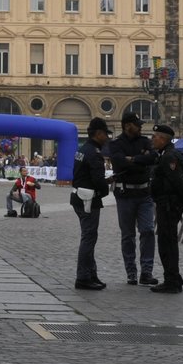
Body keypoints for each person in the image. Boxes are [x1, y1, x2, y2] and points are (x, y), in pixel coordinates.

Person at [107, 112, 158, 285]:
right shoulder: (116, 144)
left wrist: (132, 160)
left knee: (148, 231)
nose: (140, 127)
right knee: (128, 235)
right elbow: (119, 163)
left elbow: (152, 158)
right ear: (128, 126)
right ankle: (131, 272)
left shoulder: (145, 141)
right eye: (137, 124)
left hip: (145, 194)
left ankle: (147, 271)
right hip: (125, 195)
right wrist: (140, 160)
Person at [70, 117, 111, 289]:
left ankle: (91, 274)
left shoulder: (83, 149)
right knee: (88, 238)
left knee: (89, 237)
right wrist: (105, 190)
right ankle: (83, 277)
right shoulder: (94, 153)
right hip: (88, 200)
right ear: (99, 133)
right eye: (105, 134)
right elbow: (97, 179)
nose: (107, 138)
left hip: (79, 197)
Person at [148, 124, 183, 293]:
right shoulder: (165, 154)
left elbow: (176, 181)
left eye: (155, 136)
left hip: (168, 204)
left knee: (167, 243)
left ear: (163, 139)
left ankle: (171, 280)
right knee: (166, 242)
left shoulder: (169, 156)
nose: (152, 139)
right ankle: (173, 277)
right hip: (165, 202)